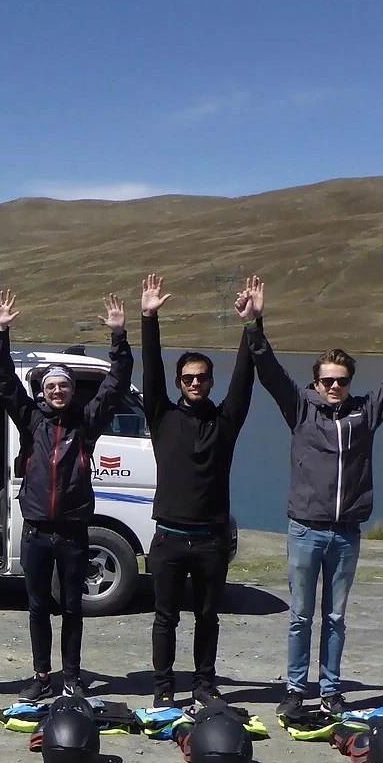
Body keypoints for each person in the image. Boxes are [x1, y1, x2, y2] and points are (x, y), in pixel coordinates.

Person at [243, 280, 383, 719]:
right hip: (305, 529)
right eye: (327, 380)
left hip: (346, 534)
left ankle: (330, 690)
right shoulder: (300, 409)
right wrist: (255, 323)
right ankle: (294, 688)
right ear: (316, 382)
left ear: (350, 383)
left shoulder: (367, 411)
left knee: (335, 618)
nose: (334, 387)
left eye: (342, 381)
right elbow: (268, 370)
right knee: (300, 616)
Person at [0, 289, 132, 700]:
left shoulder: (86, 424)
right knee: (37, 607)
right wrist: (1, 331)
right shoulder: (31, 421)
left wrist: (119, 336)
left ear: (71, 391)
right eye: (51, 386)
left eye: (63, 386)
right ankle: (40, 674)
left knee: (72, 606)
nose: (57, 391)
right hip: (35, 531)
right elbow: (3, 378)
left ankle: (70, 676)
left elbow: (117, 384)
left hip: (72, 532)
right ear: (43, 391)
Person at [139, 273, 257, 708]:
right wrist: (149, 318)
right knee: (165, 618)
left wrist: (252, 325)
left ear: (210, 381)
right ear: (178, 382)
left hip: (211, 540)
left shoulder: (225, 422)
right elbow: (149, 369)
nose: (195, 382)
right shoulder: (162, 416)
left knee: (208, 617)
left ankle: (204, 685)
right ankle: (163, 687)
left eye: (202, 377)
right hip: (168, 537)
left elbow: (245, 380)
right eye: (188, 377)